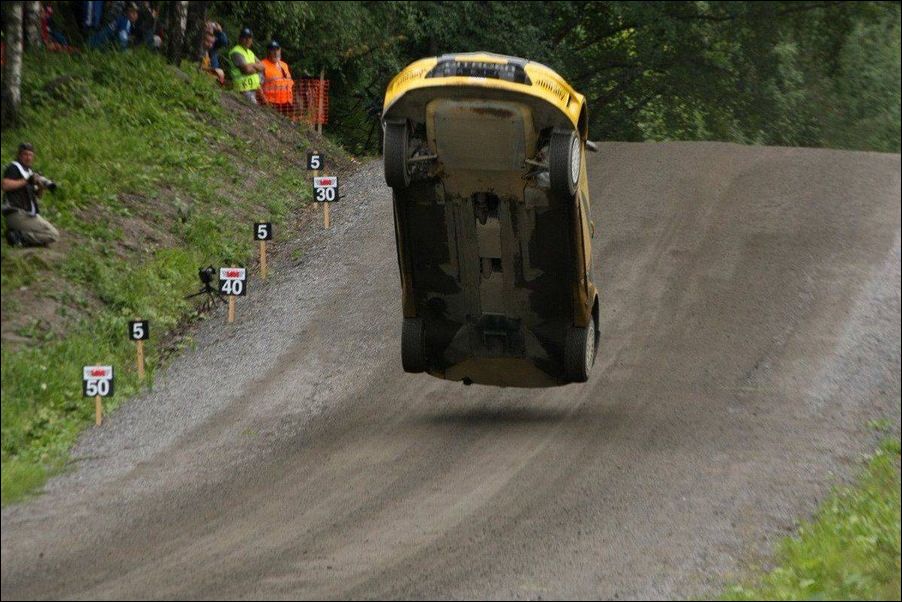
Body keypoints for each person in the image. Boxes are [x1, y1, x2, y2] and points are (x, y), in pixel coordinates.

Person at [2, 144, 60, 247]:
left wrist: (41, 186)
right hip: (16, 213)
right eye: (25, 154)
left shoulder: (29, 172)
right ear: (19, 155)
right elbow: (5, 185)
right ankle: (18, 236)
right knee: (52, 235)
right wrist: (27, 181)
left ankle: (20, 235)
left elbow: (38, 196)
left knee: (52, 233)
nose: (28, 158)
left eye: (30, 155)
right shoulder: (14, 168)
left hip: (28, 214)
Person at [228, 28, 265, 104]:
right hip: (243, 89)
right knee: (253, 109)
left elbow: (262, 66)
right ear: (240, 38)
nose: (247, 40)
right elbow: (247, 70)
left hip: (253, 88)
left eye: (249, 38)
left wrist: (251, 65)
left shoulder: (250, 52)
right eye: (245, 37)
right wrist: (255, 67)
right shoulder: (236, 52)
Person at [260, 40, 295, 115]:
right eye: (273, 50)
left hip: (286, 105)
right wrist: (265, 102)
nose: (276, 53)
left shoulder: (284, 65)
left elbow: (290, 83)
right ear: (268, 52)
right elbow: (257, 85)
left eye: (277, 50)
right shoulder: (262, 65)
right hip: (271, 105)